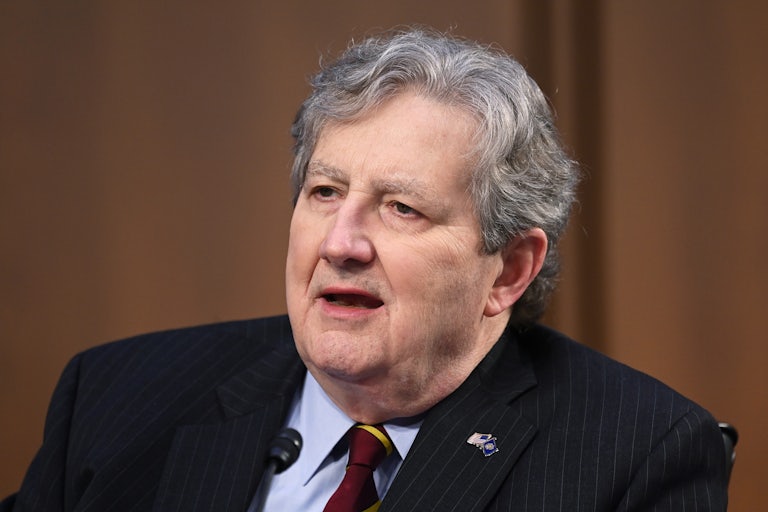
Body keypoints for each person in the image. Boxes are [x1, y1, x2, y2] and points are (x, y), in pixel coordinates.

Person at [2, 27, 728, 511]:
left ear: (508, 271)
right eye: (324, 192)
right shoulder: (114, 398)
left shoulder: (637, 460)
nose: (341, 242)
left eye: (401, 208)